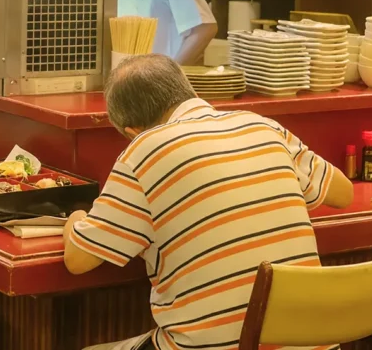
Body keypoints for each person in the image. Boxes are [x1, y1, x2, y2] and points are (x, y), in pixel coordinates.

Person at [64, 55, 354, 350]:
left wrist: (75, 216)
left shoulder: (143, 151)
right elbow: (343, 193)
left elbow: (78, 260)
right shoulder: (263, 127)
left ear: (132, 132)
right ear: (189, 91)